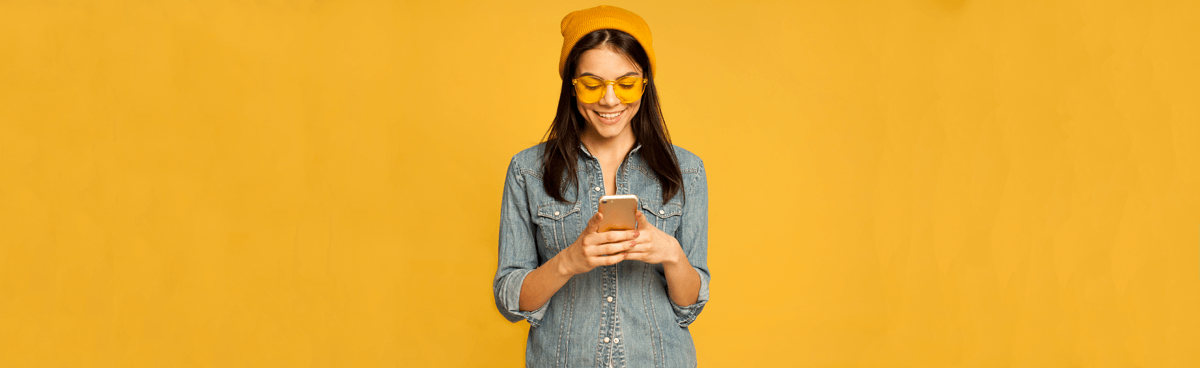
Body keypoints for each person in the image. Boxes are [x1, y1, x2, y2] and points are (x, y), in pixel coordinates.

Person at [493, 5, 710, 368]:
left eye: (626, 84)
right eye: (593, 84)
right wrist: (570, 260)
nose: (610, 100)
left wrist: (670, 252)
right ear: (572, 84)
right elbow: (510, 301)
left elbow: (688, 307)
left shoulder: (687, 170)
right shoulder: (527, 171)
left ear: (645, 83)